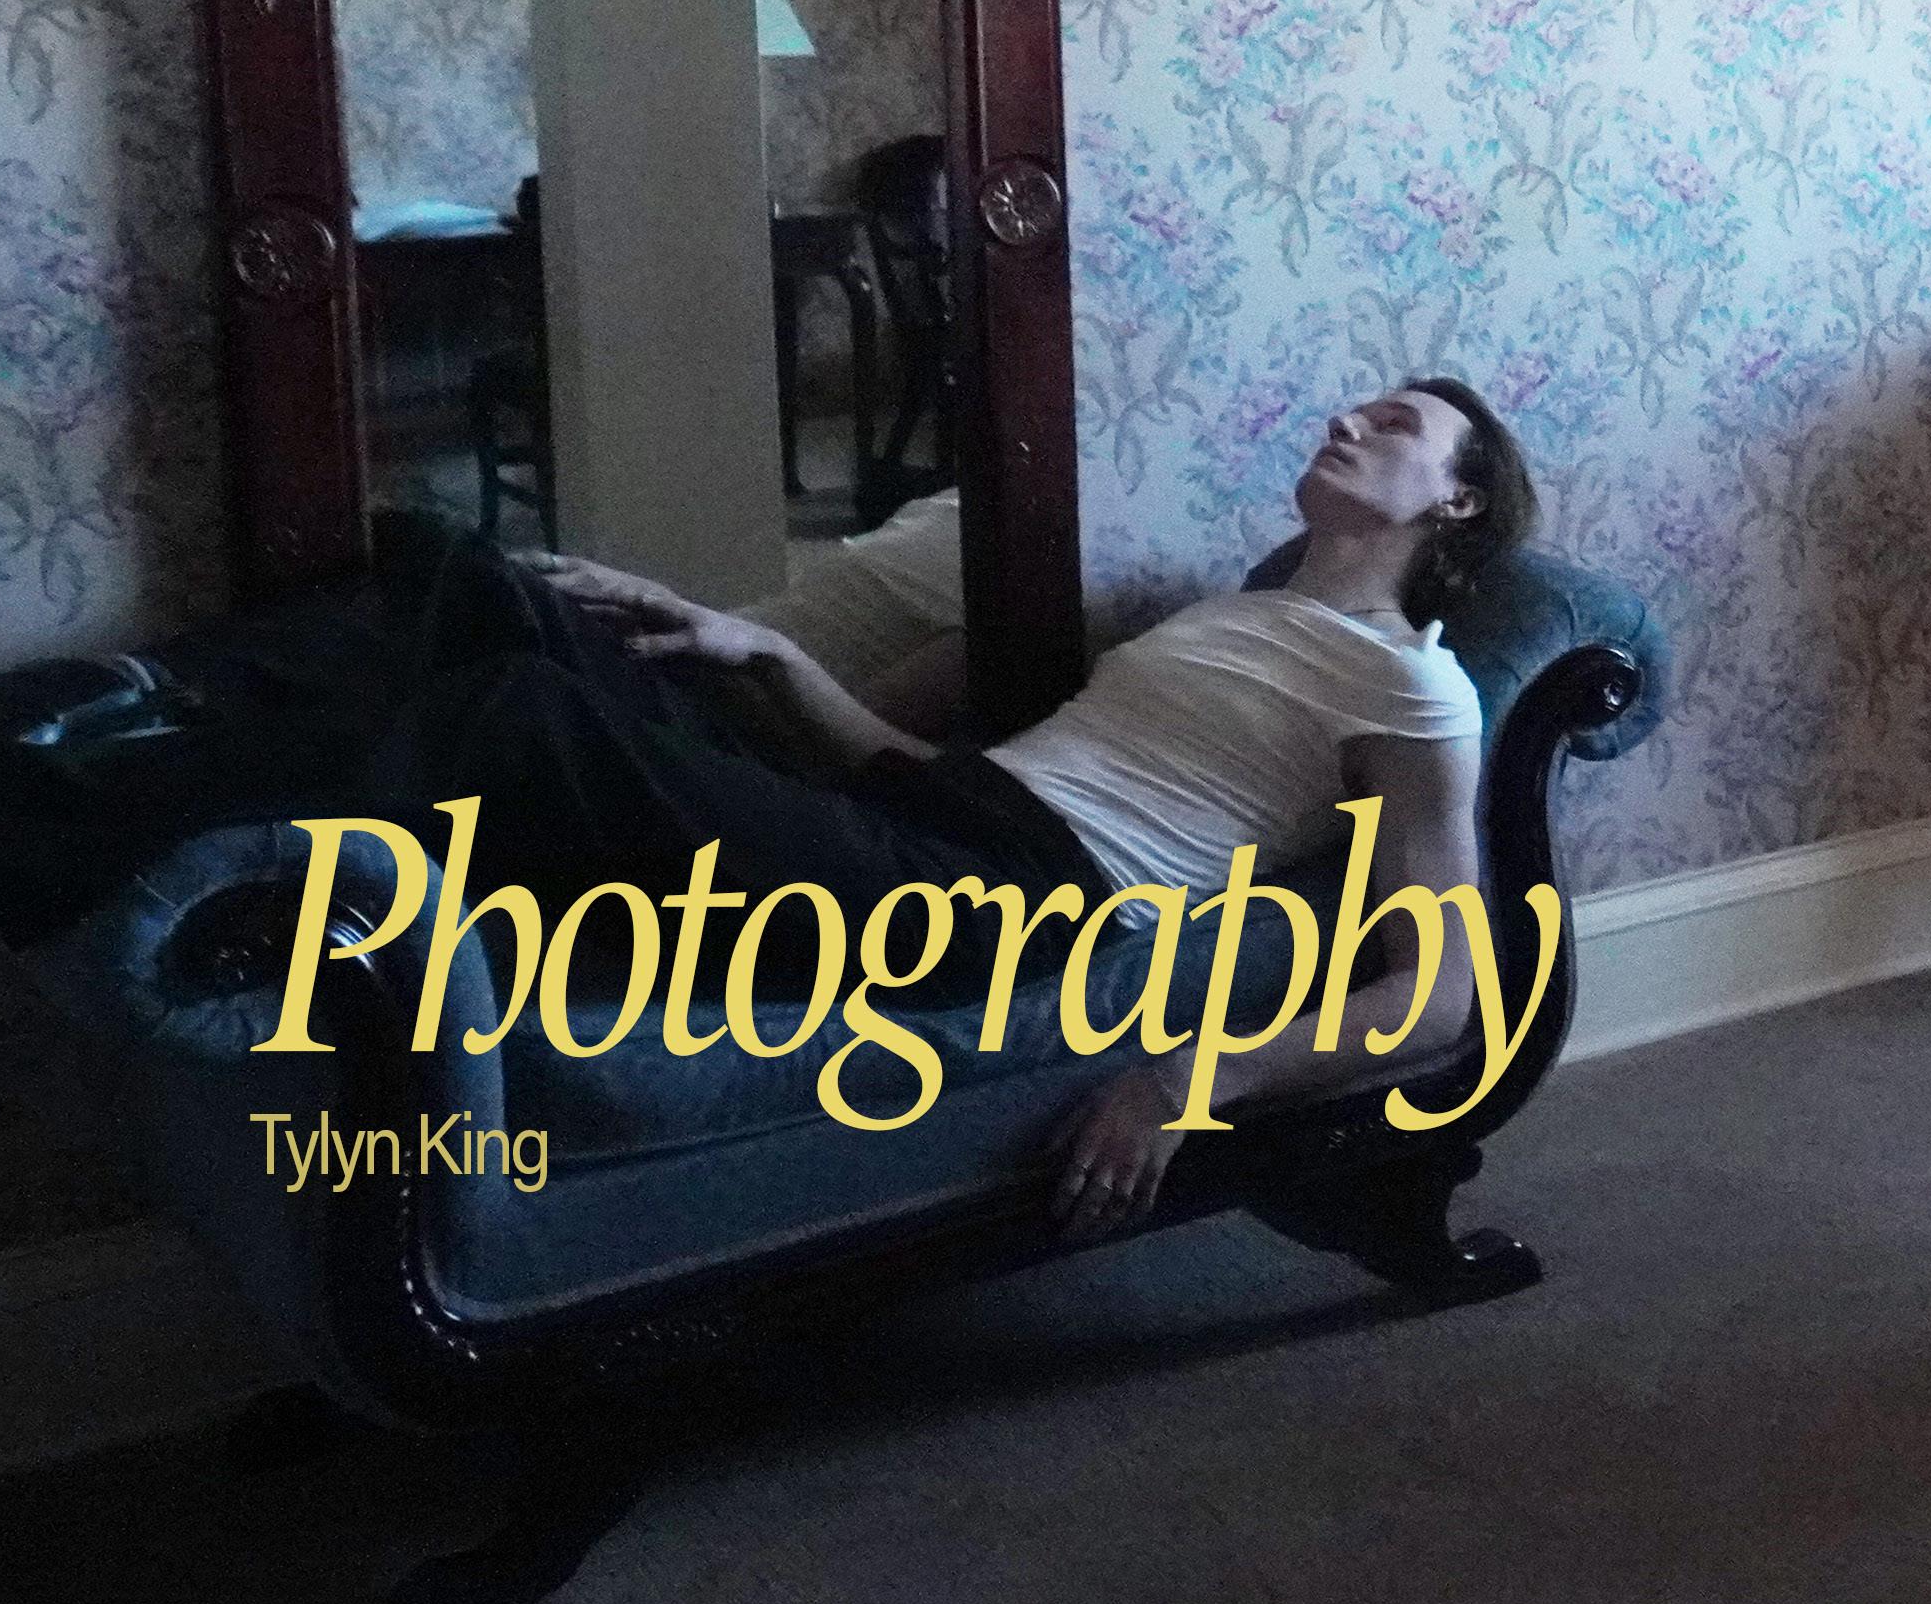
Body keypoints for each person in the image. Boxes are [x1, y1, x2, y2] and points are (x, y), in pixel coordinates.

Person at [375, 378, 1537, 1235]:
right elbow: (940, 771)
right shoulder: (1237, 614)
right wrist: (765, 654)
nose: (1347, 420)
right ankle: (255, 754)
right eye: (1359, 408)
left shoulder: (1413, 686)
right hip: (938, 814)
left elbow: (1439, 996)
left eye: (1395, 426)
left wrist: (1183, 1083)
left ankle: (290, 866)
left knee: (523, 713)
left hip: (1010, 903)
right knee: (478, 584)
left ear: (1459, 501)